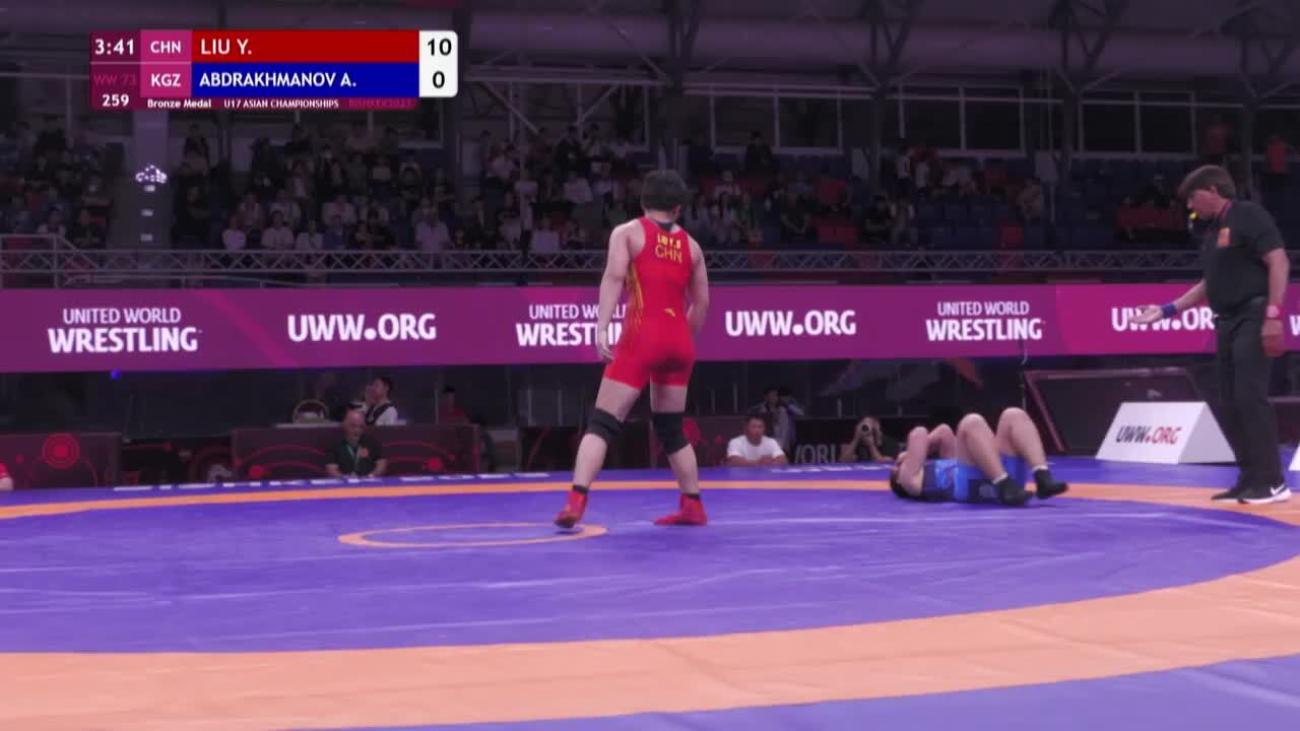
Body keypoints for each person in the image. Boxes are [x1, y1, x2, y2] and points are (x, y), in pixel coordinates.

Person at [554, 170, 711, 528]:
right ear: (678, 208)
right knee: (671, 428)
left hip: (642, 336)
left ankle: (576, 501)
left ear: (642, 202)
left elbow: (613, 278)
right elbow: (702, 305)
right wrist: (680, 338)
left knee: (602, 423)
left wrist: (602, 327)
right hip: (679, 341)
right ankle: (693, 505)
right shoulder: (693, 247)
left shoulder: (627, 233)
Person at [1133, 165, 1291, 505]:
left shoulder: (1248, 214)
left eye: (1193, 197)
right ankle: (1249, 478)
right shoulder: (1213, 232)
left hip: (1253, 314)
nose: (1190, 206)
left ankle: (1272, 481)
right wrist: (1167, 309)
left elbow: (1278, 261)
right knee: (1229, 401)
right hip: (1226, 321)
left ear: (1213, 191)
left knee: (1250, 397)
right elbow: (1210, 284)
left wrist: (1273, 315)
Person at [888, 408, 1069, 506]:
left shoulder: (942, 464)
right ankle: (1003, 484)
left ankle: (1042, 476)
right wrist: (908, 455)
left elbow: (944, 431)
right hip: (976, 487)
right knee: (971, 422)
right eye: (896, 468)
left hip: (1006, 481)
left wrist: (916, 453)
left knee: (1014, 415)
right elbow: (918, 433)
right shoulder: (910, 481)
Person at [326, 409, 388, 478]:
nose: (357, 430)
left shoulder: (372, 442)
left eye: (361, 427)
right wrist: (345, 478)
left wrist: (371, 476)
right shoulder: (335, 445)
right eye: (353, 426)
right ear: (344, 425)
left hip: (368, 481)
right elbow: (331, 469)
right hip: (345, 482)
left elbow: (381, 464)